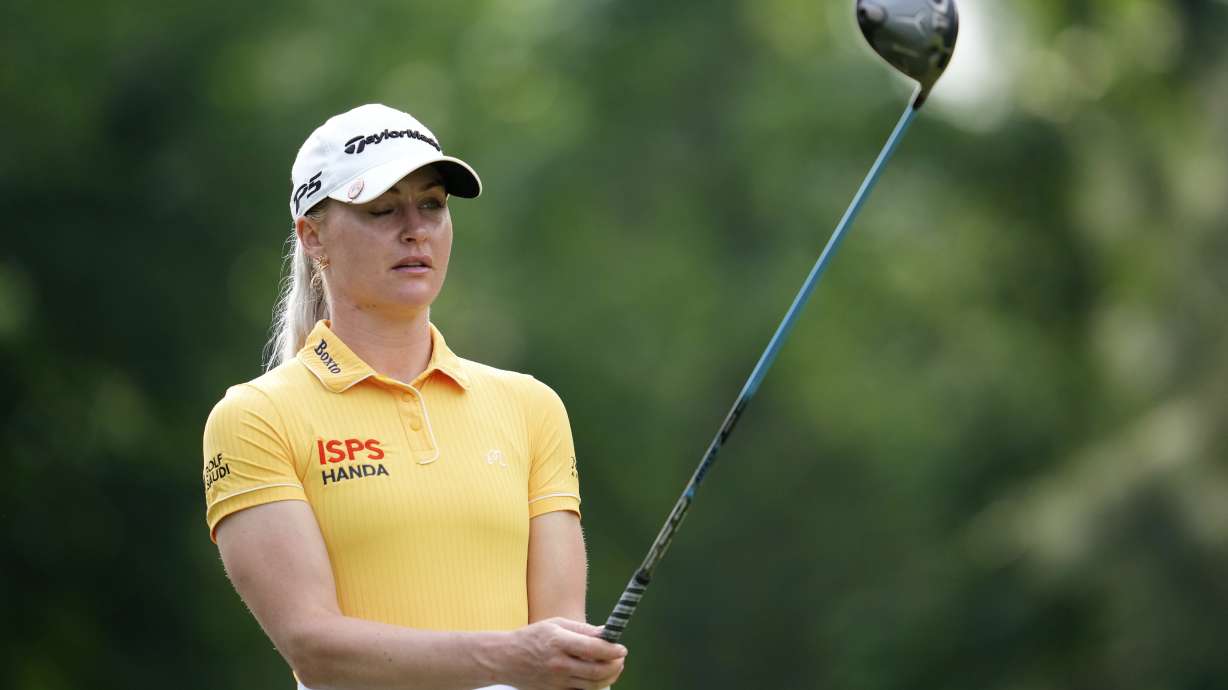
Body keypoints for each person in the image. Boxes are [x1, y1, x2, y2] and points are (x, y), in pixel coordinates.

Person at [201, 103, 626, 690]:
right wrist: (510, 656)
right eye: (382, 209)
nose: (415, 229)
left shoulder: (531, 407)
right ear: (313, 235)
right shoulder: (256, 418)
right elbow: (316, 648)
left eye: (432, 204)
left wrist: (573, 663)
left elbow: (556, 641)